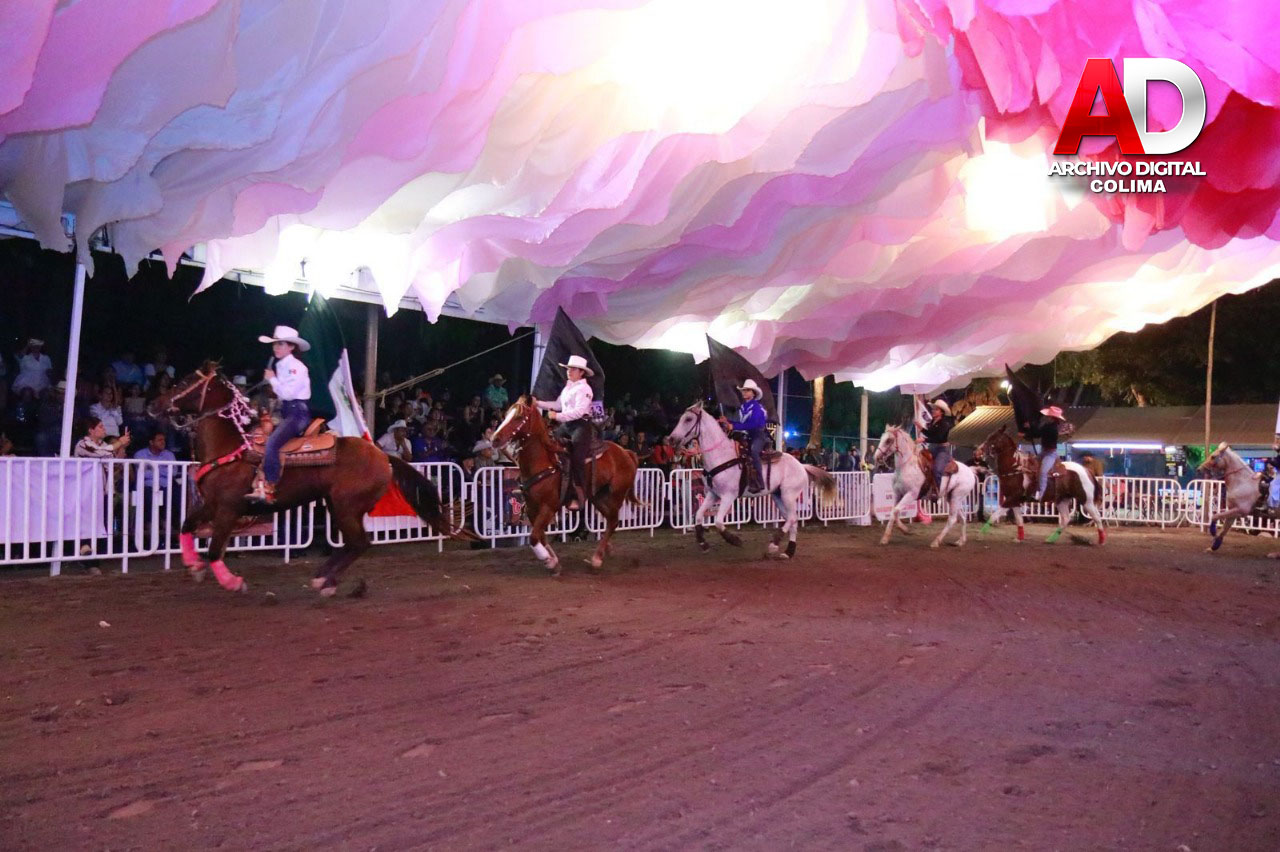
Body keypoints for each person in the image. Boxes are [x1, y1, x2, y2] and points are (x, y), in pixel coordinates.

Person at [248, 325, 311, 504]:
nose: (276, 347)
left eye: (281, 344)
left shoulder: (296, 367)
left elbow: (288, 394)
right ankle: (259, 482)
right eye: (275, 344)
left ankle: (270, 485)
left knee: (273, 443)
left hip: (297, 413)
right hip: (287, 411)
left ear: (291, 347)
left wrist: (272, 379)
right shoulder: (281, 365)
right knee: (258, 437)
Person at [534, 354, 594, 511]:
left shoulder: (585, 389)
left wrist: (557, 416)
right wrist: (537, 403)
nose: (569, 371)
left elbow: (579, 411)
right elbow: (557, 405)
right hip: (566, 425)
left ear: (581, 372)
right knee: (548, 445)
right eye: (568, 368)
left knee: (577, 458)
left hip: (580, 426)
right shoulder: (567, 388)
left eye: (573, 369)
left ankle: (578, 494)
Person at [724, 379, 768, 493]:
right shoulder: (743, 407)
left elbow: (753, 424)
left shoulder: (757, 408)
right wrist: (728, 421)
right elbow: (742, 423)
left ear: (753, 393)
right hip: (747, 435)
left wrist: (734, 426)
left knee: (754, 451)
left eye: (747, 390)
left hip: (758, 435)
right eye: (743, 390)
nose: (744, 393)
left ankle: (759, 481)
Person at [916, 397, 955, 500]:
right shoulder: (934, 422)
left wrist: (924, 439)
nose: (933, 411)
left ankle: (938, 491)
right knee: (920, 462)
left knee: (937, 469)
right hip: (933, 448)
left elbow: (939, 438)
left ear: (941, 412)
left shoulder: (944, 424)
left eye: (936, 409)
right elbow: (930, 434)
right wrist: (921, 428)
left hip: (942, 450)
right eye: (933, 409)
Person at [1031, 405, 1065, 501]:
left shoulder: (1051, 428)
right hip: (1044, 451)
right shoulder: (1050, 427)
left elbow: (1037, 433)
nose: (1047, 417)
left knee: (1043, 472)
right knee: (1030, 464)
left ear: (1052, 418)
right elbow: (1038, 433)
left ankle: (1041, 494)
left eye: (1048, 416)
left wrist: (1031, 428)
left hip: (1050, 453)